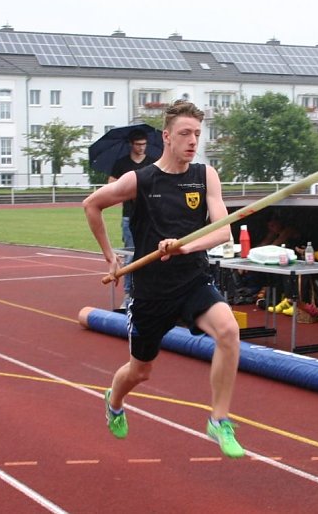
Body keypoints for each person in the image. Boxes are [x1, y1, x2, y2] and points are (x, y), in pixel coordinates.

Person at [83, 100, 245, 458]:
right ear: (167, 137)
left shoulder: (205, 176)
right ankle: (115, 401)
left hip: (192, 280)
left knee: (229, 331)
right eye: (185, 133)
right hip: (150, 292)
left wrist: (185, 248)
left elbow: (222, 233)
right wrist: (110, 257)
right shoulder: (140, 180)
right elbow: (90, 204)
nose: (193, 141)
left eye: (198, 135)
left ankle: (219, 420)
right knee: (140, 372)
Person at [108, 128, 156, 308]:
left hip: (151, 217)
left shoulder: (153, 163)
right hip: (130, 217)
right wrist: (128, 192)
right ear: (131, 144)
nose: (142, 148)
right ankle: (129, 295)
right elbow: (111, 187)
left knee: (152, 255)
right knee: (130, 256)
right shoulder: (121, 164)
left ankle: (150, 293)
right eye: (138, 144)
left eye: (144, 144)